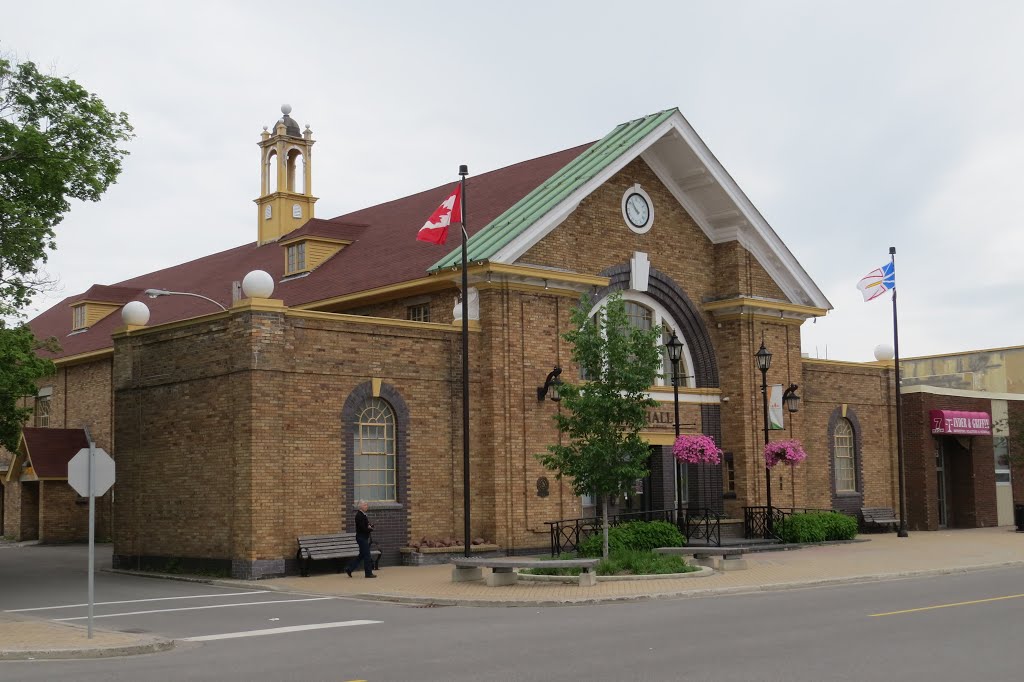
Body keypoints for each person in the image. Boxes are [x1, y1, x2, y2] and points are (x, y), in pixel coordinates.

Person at [346, 500, 376, 578]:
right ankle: (368, 573)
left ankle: (349, 569)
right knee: (367, 555)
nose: (367, 506)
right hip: (361, 538)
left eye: (367, 505)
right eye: (365, 505)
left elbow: (366, 525)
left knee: (362, 555)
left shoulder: (363, 515)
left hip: (363, 537)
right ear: (360, 506)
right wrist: (370, 529)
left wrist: (370, 525)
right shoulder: (359, 515)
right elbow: (363, 528)